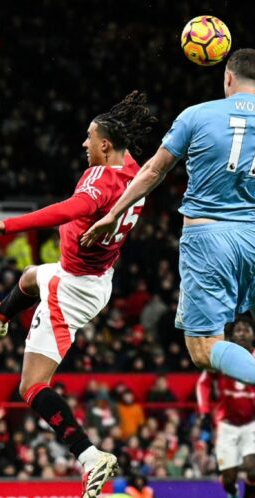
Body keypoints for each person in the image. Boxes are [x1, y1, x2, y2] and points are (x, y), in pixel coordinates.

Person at [0, 92, 156, 498]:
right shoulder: (135, 172)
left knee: (30, 386)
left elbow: (65, 210)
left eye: (89, 138)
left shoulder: (99, 180)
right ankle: (0, 315)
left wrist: (5, 226)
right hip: (97, 276)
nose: (83, 144)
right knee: (30, 276)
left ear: (105, 144)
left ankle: (90, 456)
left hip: (72, 287)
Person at [83, 49, 255, 387]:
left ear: (228, 78)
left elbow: (154, 171)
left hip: (210, 238)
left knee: (204, 347)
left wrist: (115, 213)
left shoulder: (197, 115)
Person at [197, 318, 255, 498]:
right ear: (232, 335)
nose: (241, 333)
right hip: (226, 425)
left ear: (252, 335)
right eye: (238, 330)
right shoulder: (222, 357)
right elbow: (203, 384)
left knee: (253, 469)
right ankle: (232, 493)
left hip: (251, 424)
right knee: (229, 478)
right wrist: (204, 413)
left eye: (246, 329)